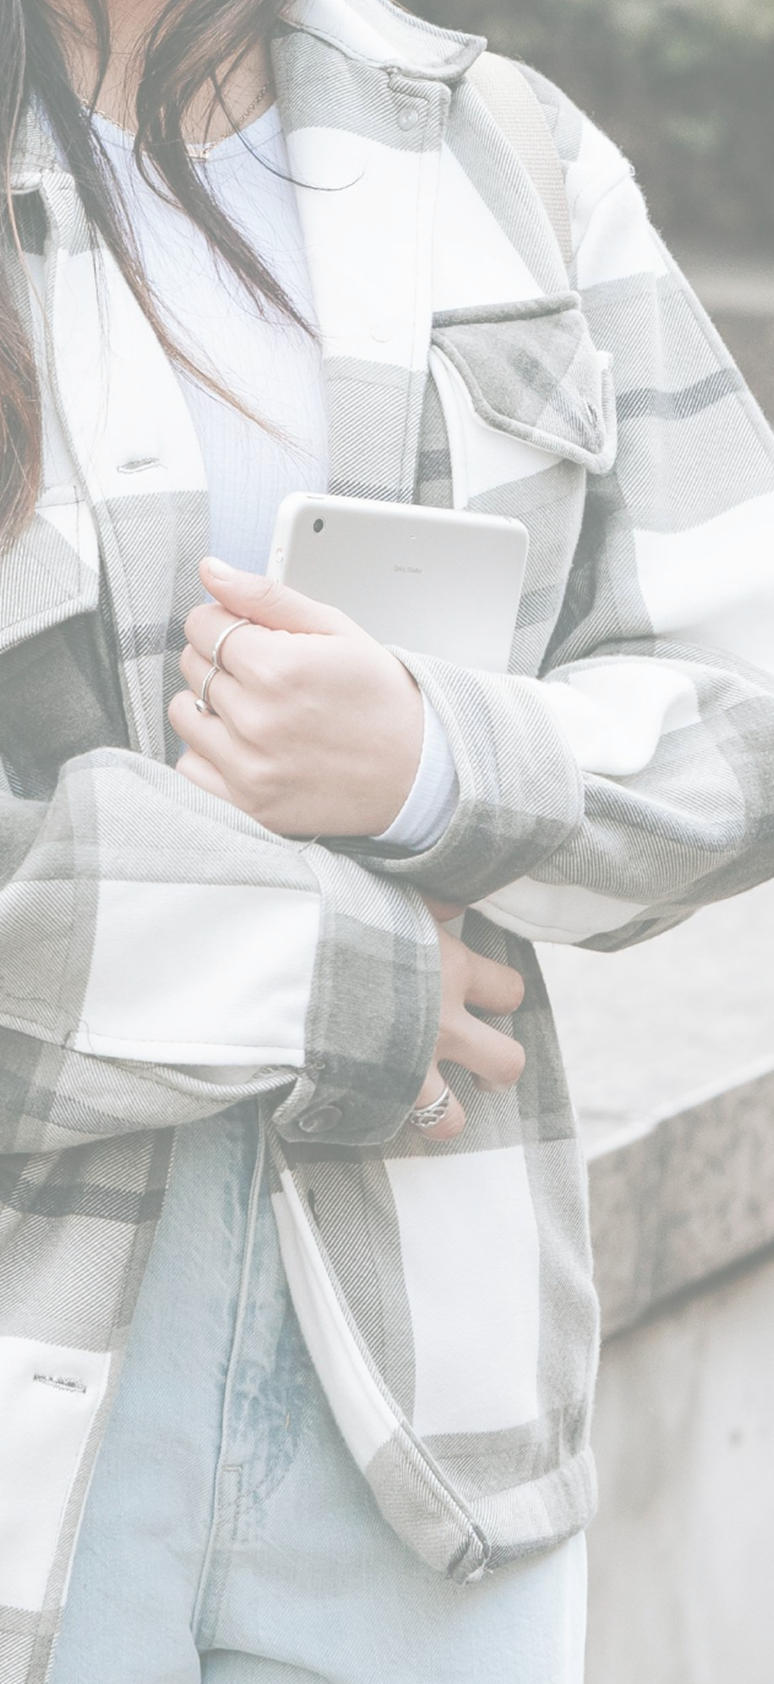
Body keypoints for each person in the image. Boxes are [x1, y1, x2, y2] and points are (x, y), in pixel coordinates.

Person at [1, 0, 773, 1678]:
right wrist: (325, 969)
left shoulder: (508, 153)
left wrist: (434, 759)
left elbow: (749, 694)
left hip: (431, 1421)